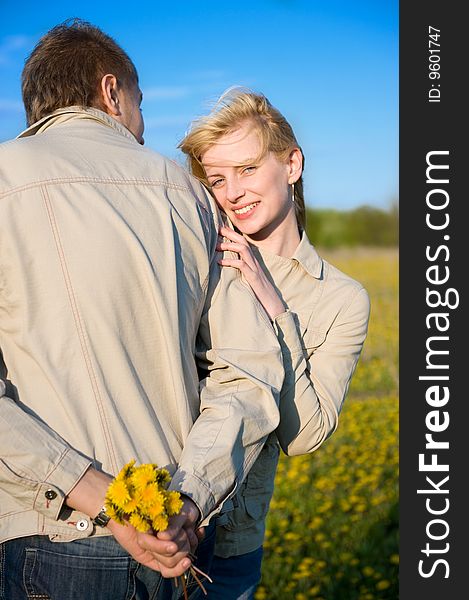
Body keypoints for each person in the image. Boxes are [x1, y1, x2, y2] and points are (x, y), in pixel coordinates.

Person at [0, 23, 286, 600]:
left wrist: (98, 493)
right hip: (180, 541)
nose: (143, 125)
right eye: (139, 105)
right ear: (112, 91)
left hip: (50, 536)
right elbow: (249, 371)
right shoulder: (189, 194)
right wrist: (187, 499)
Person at [179, 88, 371, 599]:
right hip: (144, 524)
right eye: (217, 179)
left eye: (246, 169)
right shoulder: (194, 261)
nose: (232, 191)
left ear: (292, 164)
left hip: (230, 551)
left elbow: (303, 434)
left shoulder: (342, 299)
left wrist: (276, 310)